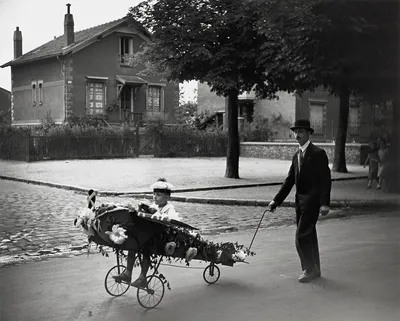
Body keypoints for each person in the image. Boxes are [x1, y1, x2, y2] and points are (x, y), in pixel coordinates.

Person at [268, 119, 331, 283]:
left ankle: (308, 269)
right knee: (309, 235)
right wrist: (276, 201)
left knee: (301, 236)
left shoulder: (318, 153)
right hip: (300, 203)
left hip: (313, 202)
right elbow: (289, 180)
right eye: (295, 132)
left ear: (308, 133)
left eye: (301, 132)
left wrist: (325, 203)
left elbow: (325, 180)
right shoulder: (296, 155)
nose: (297, 135)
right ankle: (315, 268)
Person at [113, 178, 180, 288]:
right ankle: (127, 273)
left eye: (158, 195)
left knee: (147, 248)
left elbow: (170, 221)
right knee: (132, 244)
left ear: (167, 197)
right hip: (146, 233)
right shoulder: (153, 206)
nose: (155, 197)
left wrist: (156, 213)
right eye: (154, 194)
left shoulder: (169, 209)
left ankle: (142, 278)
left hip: (159, 236)